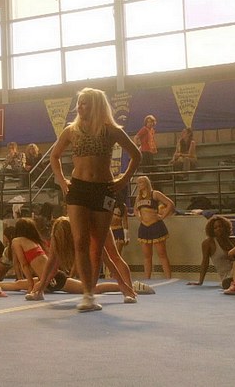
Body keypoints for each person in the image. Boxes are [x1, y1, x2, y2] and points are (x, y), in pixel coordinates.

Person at [48, 88, 141, 311]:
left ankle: (92, 291)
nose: (80, 107)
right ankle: (88, 294)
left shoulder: (111, 130)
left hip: (104, 190)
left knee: (97, 245)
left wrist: (123, 180)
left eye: (85, 103)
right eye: (79, 103)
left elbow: (136, 155)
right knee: (80, 240)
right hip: (78, 189)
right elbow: (54, 156)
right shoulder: (71, 131)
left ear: (97, 105)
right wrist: (62, 181)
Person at [23, 217, 149, 300]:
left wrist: (122, 284)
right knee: (91, 288)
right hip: (83, 225)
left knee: (114, 256)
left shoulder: (86, 235)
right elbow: (52, 264)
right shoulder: (57, 238)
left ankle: (130, 287)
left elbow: (106, 260)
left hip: (99, 225)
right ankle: (125, 287)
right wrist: (42, 285)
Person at [134, 175, 175, 279]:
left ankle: (168, 278)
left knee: (162, 254)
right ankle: (147, 278)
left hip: (156, 226)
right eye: (137, 183)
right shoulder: (138, 197)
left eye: (141, 182)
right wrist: (139, 217)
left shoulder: (155, 194)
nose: (139, 185)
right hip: (144, 227)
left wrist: (163, 216)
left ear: (147, 183)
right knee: (147, 255)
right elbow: (135, 210)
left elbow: (170, 204)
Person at [186, 215, 235, 288]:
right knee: (227, 282)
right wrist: (200, 281)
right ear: (212, 231)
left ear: (225, 227)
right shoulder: (208, 243)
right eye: (215, 228)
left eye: (221, 226)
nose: (218, 229)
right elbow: (205, 262)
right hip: (227, 279)